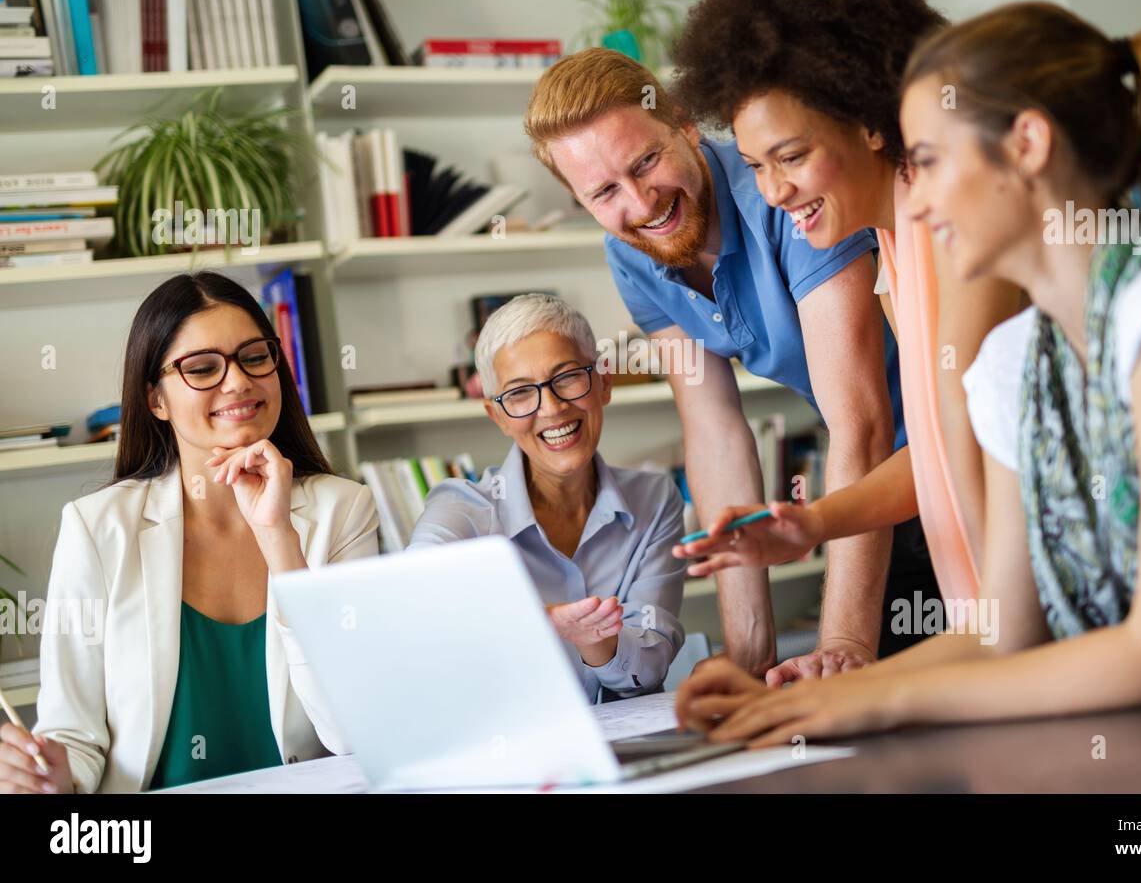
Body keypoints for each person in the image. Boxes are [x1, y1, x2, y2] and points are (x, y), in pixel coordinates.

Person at [675, 1, 1141, 745]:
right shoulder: (1011, 366)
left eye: (929, 160)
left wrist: (871, 703)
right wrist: (814, 693)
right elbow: (1002, 630)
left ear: (1028, 144)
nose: (920, 195)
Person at [666, 0, 1025, 642]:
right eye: (754, 166)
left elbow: (966, 446)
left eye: (792, 157)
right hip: (987, 628)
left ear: (869, 120)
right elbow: (935, 451)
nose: (772, 193)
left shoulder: (954, 227)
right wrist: (814, 523)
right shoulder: (890, 247)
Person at [525, 45, 909, 680]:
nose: (641, 202)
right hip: (870, 489)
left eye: (645, 161)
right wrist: (749, 662)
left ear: (682, 122)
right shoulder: (632, 257)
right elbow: (715, 433)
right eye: (603, 192)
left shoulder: (782, 194)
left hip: (941, 463)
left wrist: (842, 643)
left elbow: (859, 422)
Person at [0, 272, 378, 793]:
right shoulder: (96, 528)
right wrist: (52, 777)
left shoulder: (344, 510)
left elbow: (355, 732)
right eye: (202, 368)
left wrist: (278, 538)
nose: (239, 382)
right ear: (156, 400)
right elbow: (74, 735)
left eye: (255, 356)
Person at [409, 293, 686, 702]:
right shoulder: (460, 510)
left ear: (603, 381)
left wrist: (592, 639)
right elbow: (415, 609)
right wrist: (548, 621)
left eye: (568, 377)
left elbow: (649, 666)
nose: (552, 408)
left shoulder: (655, 499)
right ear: (497, 416)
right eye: (520, 393)